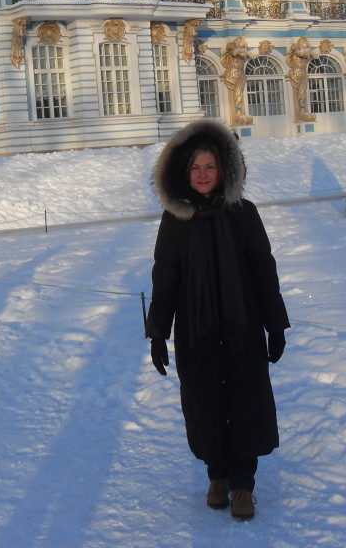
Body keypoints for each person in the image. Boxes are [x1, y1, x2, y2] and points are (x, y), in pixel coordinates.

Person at [146, 119, 289, 522]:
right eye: (195, 168)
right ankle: (217, 476)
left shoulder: (244, 214)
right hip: (197, 332)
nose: (203, 175)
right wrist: (158, 334)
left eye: (210, 167)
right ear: (183, 173)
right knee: (204, 404)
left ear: (224, 169)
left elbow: (264, 269)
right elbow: (165, 277)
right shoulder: (175, 221)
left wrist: (275, 325)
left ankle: (243, 484)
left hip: (242, 327)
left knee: (245, 403)